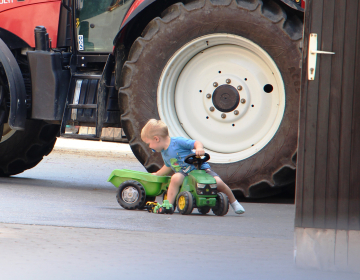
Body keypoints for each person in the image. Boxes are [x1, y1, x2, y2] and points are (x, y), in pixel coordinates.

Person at [141, 119, 245, 215]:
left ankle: (234, 202)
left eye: (148, 144)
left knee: (218, 182)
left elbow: (196, 143)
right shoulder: (164, 152)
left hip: (199, 168)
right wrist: (158, 174)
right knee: (175, 178)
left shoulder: (177, 142)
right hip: (184, 172)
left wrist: (199, 148)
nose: (149, 147)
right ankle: (168, 205)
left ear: (156, 139)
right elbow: (169, 165)